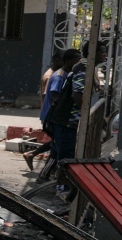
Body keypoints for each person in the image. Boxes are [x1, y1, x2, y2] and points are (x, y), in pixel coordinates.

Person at [47, 42, 107, 193]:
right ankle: (63, 192)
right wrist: (88, 115)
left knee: (69, 157)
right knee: (67, 159)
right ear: (94, 53)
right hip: (67, 122)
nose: (105, 55)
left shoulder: (86, 68)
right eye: (103, 52)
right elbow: (77, 95)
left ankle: (66, 190)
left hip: (70, 122)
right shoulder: (83, 69)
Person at [22, 51, 63, 171]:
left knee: (56, 142)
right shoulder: (50, 76)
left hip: (49, 114)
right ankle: (43, 167)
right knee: (57, 142)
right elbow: (48, 97)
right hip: (50, 115)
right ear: (56, 60)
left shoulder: (53, 74)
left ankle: (32, 155)